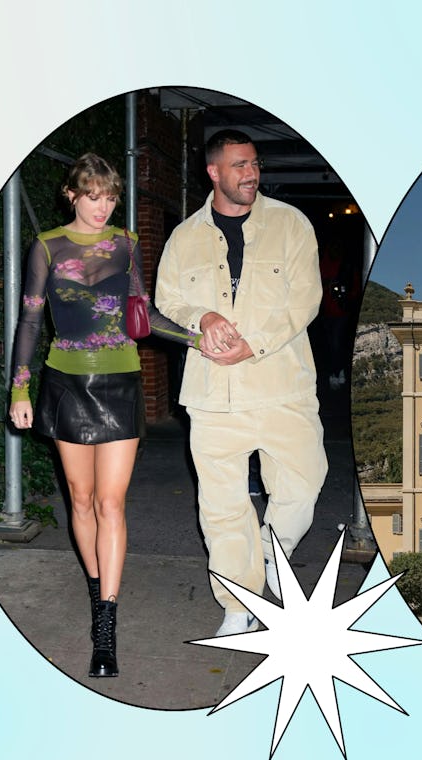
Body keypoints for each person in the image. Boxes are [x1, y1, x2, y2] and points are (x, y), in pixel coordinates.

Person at [9, 153, 198, 677]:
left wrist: (198, 339)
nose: (103, 206)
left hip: (119, 381)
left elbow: (144, 313)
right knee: (82, 498)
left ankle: (105, 624)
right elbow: (29, 321)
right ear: (72, 194)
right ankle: (97, 583)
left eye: (110, 196)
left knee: (112, 503)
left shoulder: (127, 244)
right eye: (93, 195)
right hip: (66, 382)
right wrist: (19, 391)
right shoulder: (46, 246)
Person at [155, 129, 328, 636]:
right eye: (238, 165)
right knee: (222, 505)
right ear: (213, 172)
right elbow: (166, 304)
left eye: (254, 164)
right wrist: (202, 318)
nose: (250, 174)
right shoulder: (184, 238)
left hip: (282, 386)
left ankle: (274, 550)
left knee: (306, 478)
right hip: (213, 396)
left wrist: (253, 343)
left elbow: (306, 299)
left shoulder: (291, 225)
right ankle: (238, 604)